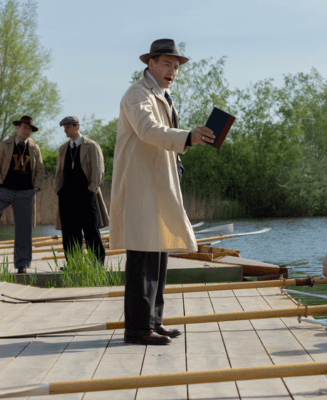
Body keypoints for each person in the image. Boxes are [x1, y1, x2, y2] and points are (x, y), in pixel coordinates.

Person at [110, 39, 215, 345]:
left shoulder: (162, 95)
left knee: (158, 255)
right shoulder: (137, 94)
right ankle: (138, 329)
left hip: (158, 184)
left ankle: (154, 322)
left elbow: (159, 139)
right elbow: (148, 130)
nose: (173, 71)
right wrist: (186, 137)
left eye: (176, 66)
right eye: (167, 64)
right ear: (151, 64)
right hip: (141, 185)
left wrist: (184, 146)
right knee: (142, 257)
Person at [54, 116, 109, 264]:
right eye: (64, 128)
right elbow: (59, 172)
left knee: (91, 230)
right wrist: (59, 190)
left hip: (86, 194)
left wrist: (92, 189)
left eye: (68, 127)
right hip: (66, 196)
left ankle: (98, 265)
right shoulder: (63, 148)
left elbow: (99, 169)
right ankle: (73, 264)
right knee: (70, 233)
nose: (65, 130)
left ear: (77, 127)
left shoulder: (91, 146)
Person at [0, 116, 44, 274]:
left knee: (24, 230)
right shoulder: (4, 144)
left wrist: (36, 188)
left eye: (29, 129)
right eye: (24, 127)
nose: (26, 131)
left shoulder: (34, 148)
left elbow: (40, 169)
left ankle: (22, 265)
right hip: (5, 190)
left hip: (25, 192)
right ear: (17, 127)